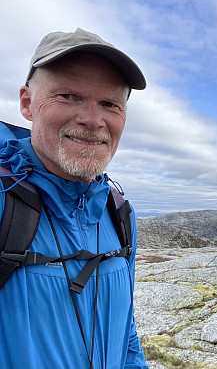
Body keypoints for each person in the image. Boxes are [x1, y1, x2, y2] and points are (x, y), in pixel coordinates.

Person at [0, 28, 148, 368]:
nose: (93, 120)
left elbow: (126, 334)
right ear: (27, 103)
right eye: (68, 96)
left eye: (109, 103)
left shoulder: (120, 213)